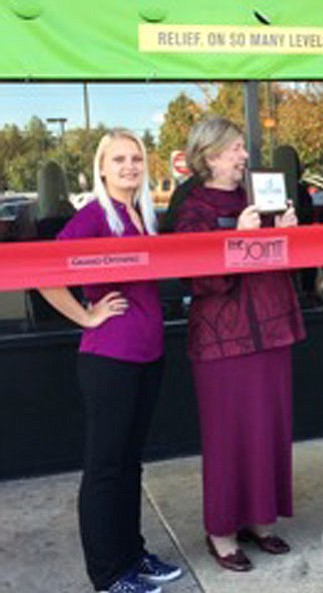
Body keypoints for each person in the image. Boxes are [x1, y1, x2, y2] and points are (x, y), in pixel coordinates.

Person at [39, 130, 182, 593]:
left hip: (148, 355)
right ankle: (108, 575)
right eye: (118, 159)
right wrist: (85, 315)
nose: (129, 166)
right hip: (111, 359)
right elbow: (45, 270)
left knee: (129, 464)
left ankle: (131, 555)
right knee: (105, 468)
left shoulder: (140, 214)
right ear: (101, 168)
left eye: (136, 158)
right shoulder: (95, 215)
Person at [174, 117, 305, 572]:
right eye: (234, 149)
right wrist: (239, 240)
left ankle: (258, 521)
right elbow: (199, 276)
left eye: (241, 149)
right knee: (228, 437)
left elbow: (283, 260)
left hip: (271, 327)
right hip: (222, 340)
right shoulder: (192, 208)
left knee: (268, 429)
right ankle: (222, 532)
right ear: (210, 156)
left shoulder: (257, 198)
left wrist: (285, 233)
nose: (244, 156)